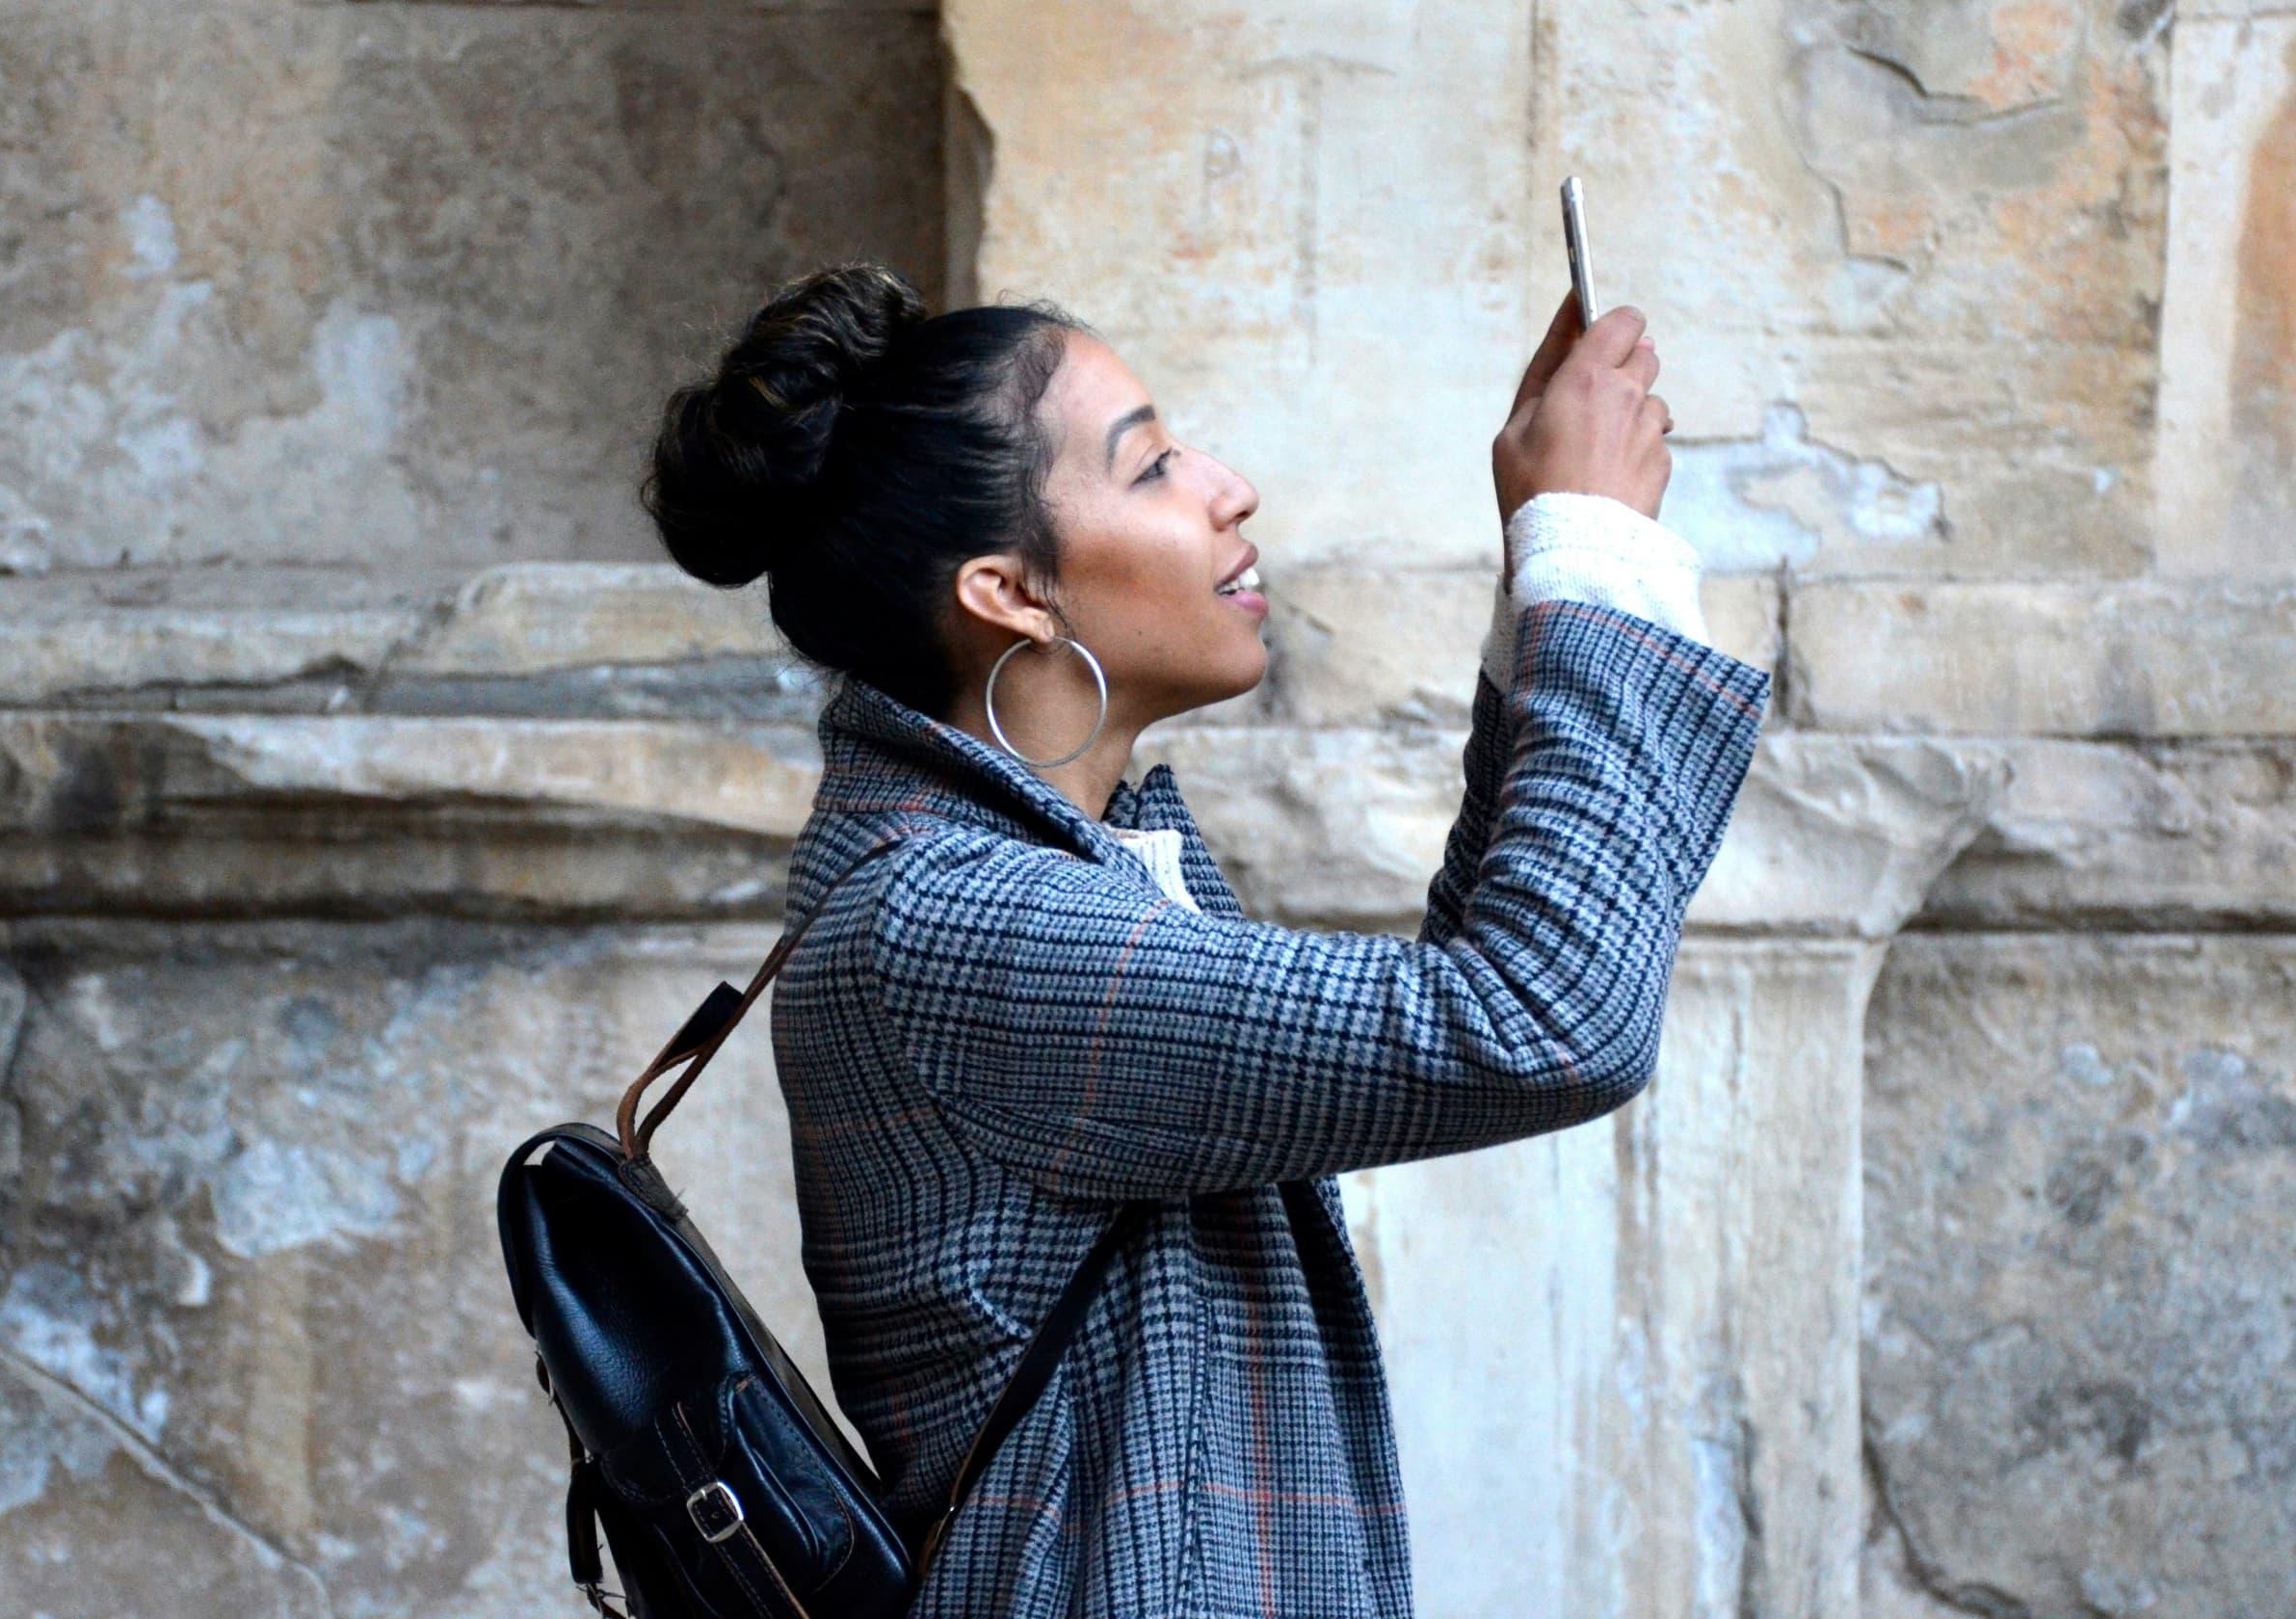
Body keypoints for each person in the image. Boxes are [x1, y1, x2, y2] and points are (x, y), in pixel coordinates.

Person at [642, 259, 1767, 1619]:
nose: (1228, 486)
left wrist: (1552, 568)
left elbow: (1469, 1000)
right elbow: (1542, 1017)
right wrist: (1591, 549)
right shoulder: (954, 924)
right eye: (1153, 464)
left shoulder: (1042, 866)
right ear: (1012, 593)